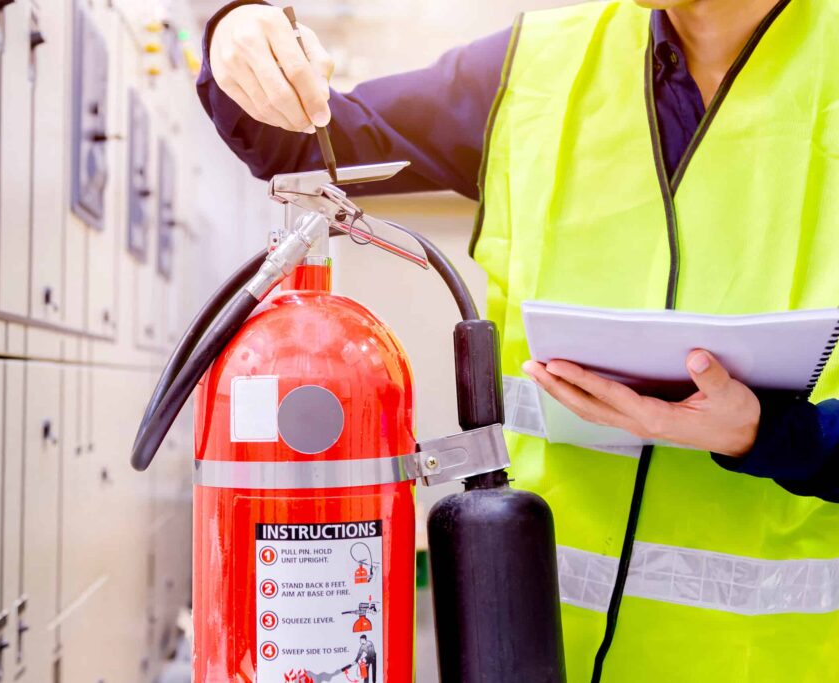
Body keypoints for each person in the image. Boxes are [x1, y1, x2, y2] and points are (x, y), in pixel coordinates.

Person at [197, 0, 839, 681]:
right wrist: (236, 33)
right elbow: (302, 143)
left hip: (773, 659)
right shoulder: (531, 70)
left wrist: (774, 433)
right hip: (531, 644)